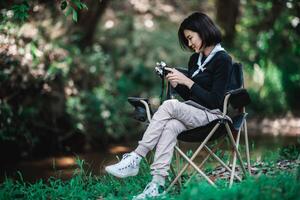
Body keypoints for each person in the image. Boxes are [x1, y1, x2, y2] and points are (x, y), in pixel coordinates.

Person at [105, 12, 232, 199]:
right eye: (187, 40)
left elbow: (214, 101)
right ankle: (156, 185)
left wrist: (187, 81)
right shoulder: (194, 60)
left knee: (170, 105)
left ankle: (136, 157)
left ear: (203, 31)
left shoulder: (223, 59)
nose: (190, 44)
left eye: (190, 38)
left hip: (213, 116)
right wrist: (178, 85)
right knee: (170, 126)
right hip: (195, 113)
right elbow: (193, 97)